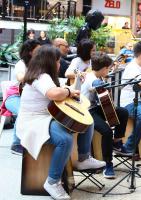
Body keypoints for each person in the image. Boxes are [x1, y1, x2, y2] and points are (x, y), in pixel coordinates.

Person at [16, 46, 105, 200]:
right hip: (34, 122)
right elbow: (54, 93)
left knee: (86, 120)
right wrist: (69, 91)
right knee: (64, 140)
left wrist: (69, 88)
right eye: (57, 61)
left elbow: (56, 90)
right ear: (49, 61)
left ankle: (83, 158)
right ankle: (52, 182)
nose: (59, 64)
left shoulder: (44, 76)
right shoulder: (40, 76)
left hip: (46, 118)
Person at [81, 52, 129, 179]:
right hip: (88, 111)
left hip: (98, 107)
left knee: (123, 112)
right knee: (106, 131)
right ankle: (108, 164)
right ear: (103, 69)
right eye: (107, 68)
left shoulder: (99, 75)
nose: (109, 70)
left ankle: (117, 142)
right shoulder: (92, 79)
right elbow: (95, 85)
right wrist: (103, 85)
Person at [0, 39, 41, 155]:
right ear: (30, 52)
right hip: (13, 97)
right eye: (38, 50)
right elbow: (20, 77)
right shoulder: (21, 64)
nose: (40, 52)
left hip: (27, 97)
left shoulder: (37, 65)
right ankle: (16, 144)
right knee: (23, 110)